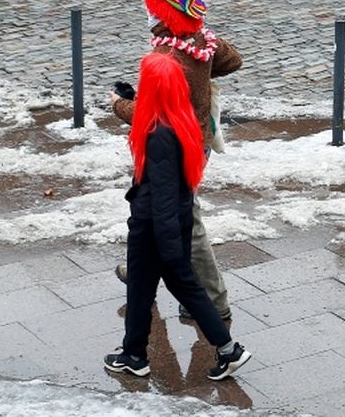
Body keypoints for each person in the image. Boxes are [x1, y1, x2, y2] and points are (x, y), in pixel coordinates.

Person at [104, 52, 252, 382]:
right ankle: (137, 353)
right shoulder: (181, 117)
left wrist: (169, 249)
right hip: (172, 221)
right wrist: (126, 102)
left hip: (155, 226)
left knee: (166, 286)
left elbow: (164, 196)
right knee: (155, 289)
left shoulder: (159, 134)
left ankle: (138, 354)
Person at [110, 0, 242, 321]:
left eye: (151, 7)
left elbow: (147, 116)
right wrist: (199, 36)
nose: (147, 12)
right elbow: (232, 60)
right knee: (158, 206)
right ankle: (136, 271)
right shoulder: (195, 43)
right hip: (197, 140)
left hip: (174, 146)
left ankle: (215, 300)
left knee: (185, 218)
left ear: (163, 14)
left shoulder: (168, 57)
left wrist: (118, 104)